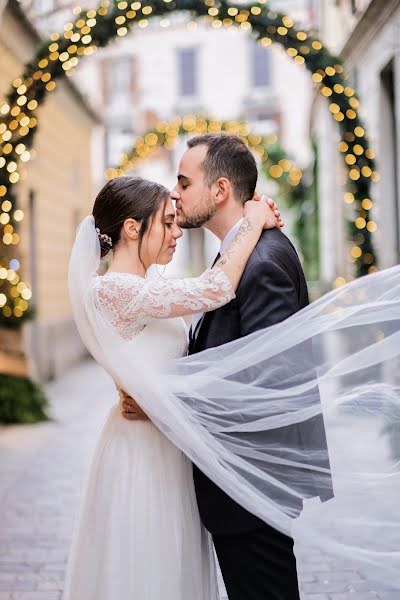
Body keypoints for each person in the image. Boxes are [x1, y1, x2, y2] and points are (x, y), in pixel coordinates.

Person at [121, 133, 320, 599]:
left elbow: (268, 380)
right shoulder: (239, 254)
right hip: (236, 483)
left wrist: (164, 402)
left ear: (220, 190)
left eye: (184, 182)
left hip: (250, 481)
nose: (174, 194)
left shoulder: (264, 260)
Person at [64, 174, 282, 600]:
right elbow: (215, 288)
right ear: (131, 228)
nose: (176, 231)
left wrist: (164, 399)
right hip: (141, 452)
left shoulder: (146, 288)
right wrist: (251, 221)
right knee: (147, 566)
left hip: (166, 441)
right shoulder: (112, 288)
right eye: (166, 223)